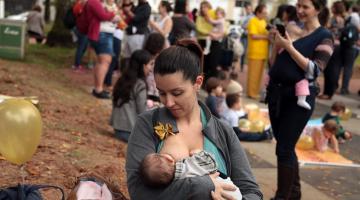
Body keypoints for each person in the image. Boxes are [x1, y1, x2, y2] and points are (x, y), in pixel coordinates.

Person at [126, 39, 262, 200]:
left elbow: (252, 191)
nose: (168, 102)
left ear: (198, 83)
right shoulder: (147, 124)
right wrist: (202, 185)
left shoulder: (223, 131)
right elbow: (138, 193)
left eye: (177, 93)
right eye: (161, 93)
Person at [266, 0, 334, 199]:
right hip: (277, 93)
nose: (300, 11)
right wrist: (275, 45)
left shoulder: (325, 36)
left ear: (318, 9)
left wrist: (288, 46)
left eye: (306, 7)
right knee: (285, 144)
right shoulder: (291, 28)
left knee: (284, 148)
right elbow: (273, 62)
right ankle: (294, 193)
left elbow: (314, 69)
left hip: (299, 98)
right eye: (299, 5)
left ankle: (282, 196)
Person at [140, 150, 242, 200]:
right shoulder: (189, 165)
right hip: (231, 191)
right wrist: (199, 152)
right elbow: (212, 164)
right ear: (169, 159)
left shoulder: (177, 186)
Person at [110, 50, 153, 142]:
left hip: (117, 129)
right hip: (130, 131)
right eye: (150, 64)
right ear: (143, 66)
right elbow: (142, 111)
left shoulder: (122, 79)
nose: (151, 68)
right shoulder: (140, 84)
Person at [318, 0, 346, 100]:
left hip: (332, 44)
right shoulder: (342, 19)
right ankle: (328, 91)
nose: (331, 8)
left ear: (336, 8)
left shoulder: (334, 19)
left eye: (333, 7)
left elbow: (327, 29)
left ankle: (327, 93)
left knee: (329, 69)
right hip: (338, 46)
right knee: (333, 69)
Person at [246, 4, 269, 99]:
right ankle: (251, 93)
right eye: (263, 13)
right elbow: (253, 36)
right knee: (253, 75)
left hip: (263, 52)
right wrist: (267, 37)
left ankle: (255, 92)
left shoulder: (263, 21)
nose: (265, 15)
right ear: (258, 12)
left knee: (259, 75)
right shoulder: (253, 21)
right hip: (255, 51)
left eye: (265, 13)